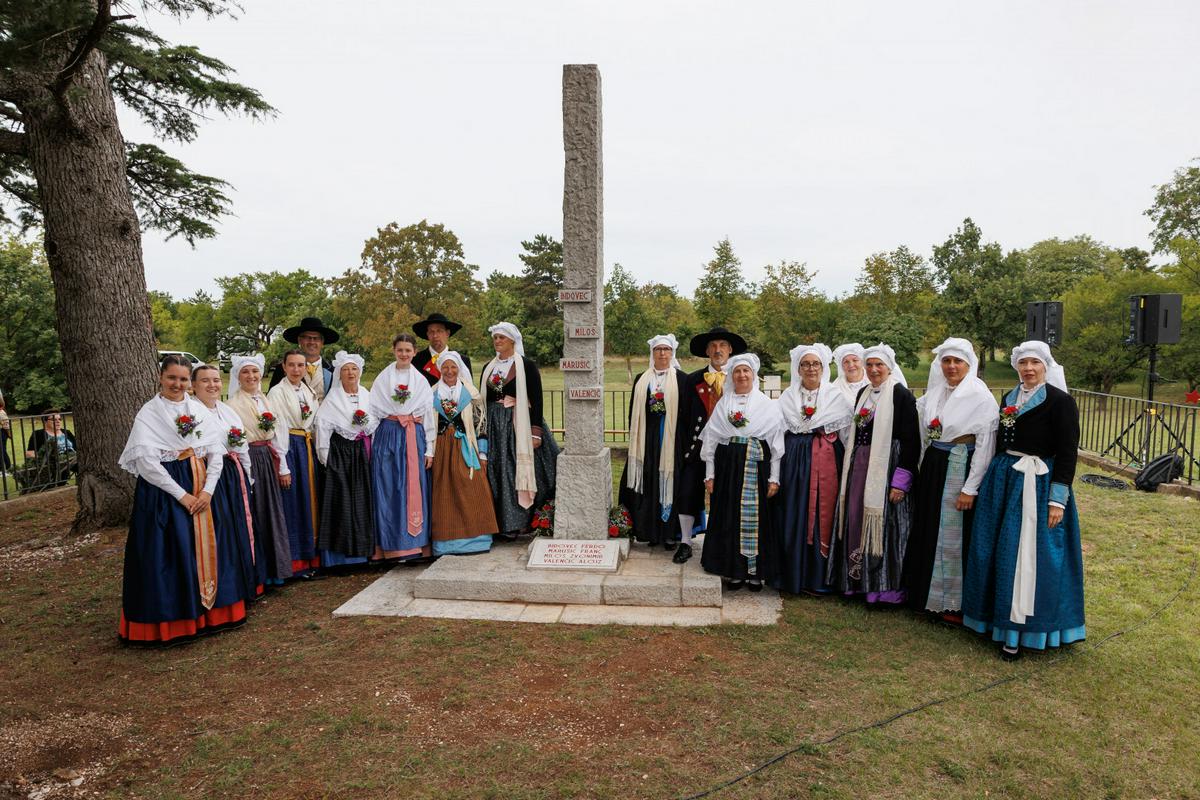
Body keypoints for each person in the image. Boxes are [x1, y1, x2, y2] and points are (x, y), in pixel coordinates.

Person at [963, 341, 1085, 661]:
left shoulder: (1061, 402)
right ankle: (996, 622)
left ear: (1046, 366)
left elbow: (1068, 453)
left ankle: (1021, 632)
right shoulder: (1009, 398)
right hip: (1004, 479)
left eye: (1035, 363)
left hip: (1039, 482)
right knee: (996, 549)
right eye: (1023, 363)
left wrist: (1057, 500)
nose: (1028, 369)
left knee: (1027, 555)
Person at [117, 354, 246, 644]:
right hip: (165, 492)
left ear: (190, 382)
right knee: (172, 550)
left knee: (210, 545)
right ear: (161, 378)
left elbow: (216, 452)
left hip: (202, 485)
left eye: (183, 379)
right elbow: (148, 464)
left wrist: (208, 490)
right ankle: (175, 620)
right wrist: (183, 495)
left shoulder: (198, 410)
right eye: (172, 378)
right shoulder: (149, 413)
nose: (178, 384)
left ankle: (214, 613)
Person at [903, 339, 997, 623]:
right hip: (934, 465)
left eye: (958, 362)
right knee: (930, 527)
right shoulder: (935, 394)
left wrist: (970, 488)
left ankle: (952, 603)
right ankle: (925, 595)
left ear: (970, 365)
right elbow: (923, 434)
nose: (952, 367)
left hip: (960, 465)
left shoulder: (981, 398)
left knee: (955, 534)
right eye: (947, 361)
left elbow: (985, 445)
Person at [828, 343, 920, 605]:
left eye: (879, 365)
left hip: (886, 466)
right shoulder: (863, 394)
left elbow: (912, 441)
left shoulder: (901, 396)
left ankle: (884, 588)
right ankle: (855, 582)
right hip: (860, 467)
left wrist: (900, 482)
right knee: (857, 518)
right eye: (869, 365)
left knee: (887, 525)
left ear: (889, 367)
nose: (873, 369)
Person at [771, 343, 853, 595]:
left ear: (823, 367)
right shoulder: (787, 396)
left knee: (821, 512)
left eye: (815, 364)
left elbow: (847, 434)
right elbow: (777, 431)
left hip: (826, 459)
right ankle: (792, 575)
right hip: (794, 461)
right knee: (794, 512)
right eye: (805, 364)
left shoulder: (836, 396)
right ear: (798, 369)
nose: (811, 368)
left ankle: (819, 578)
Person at [700, 353, 784, 591]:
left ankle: (755, 573)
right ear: (732, 376)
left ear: (753, 375)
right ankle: (734, 570)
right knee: (729, 516)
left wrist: (774, 478)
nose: (742, 375)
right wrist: (710, 475)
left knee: (757, 518)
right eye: (737, 371)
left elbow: (776, 445)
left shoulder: (767, 406)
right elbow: (711, 440)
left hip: (756, 467)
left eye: (746, 371)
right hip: (728, 468)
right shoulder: (723, 404)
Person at [479, 323, 560, 538]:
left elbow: (536, 398)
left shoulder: (526, 366)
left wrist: (535, 432)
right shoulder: (489, 367)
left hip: (518, 423)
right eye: (495, 337)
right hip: (495, 424)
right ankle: (500, 521)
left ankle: (520, 521)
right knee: (498, 470)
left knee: (516, 468)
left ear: (513, 341)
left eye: (501, 338)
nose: (497, 341)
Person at [676, 326, 748, 564]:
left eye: (723, 346)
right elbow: (684, 416)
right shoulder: (692, 379)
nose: (718, 350)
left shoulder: (740, 377)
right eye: (714, 346)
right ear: (707, 351)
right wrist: (686, 446)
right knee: (687, 491)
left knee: (725, 494)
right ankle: (685, 542)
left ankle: (722, 543)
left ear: (730, 350)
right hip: (698, 445)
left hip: (728, 447)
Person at [191, 364, 262, 602]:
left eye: (215, 380)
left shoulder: (227, 411)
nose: (212, 385)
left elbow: (241, 446)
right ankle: (221, 589)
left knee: (236, 528)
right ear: (193, 386)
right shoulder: (192, 413)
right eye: (205, 381)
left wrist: (248, 477)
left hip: (232, 474)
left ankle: (242, 584)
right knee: (219, 530)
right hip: (207, 476)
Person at [226, 354, 294, 586]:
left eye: (255, 372)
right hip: (250, 458)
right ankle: (259, 573)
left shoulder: (265, 401)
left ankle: (277, 570)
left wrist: (282, 466)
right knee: (254, 512)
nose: (251, 376)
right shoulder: (232, 405)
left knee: (271, 511)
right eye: (245, 372)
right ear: (238, 376)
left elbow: (276, 436)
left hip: (267, 457)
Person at [619, 334, 689, 552]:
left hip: (670, 439)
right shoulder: (642, 379)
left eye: (666, 350)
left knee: (670, 481)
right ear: (652, 353)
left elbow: (686, 413)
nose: (662, 353)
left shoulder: (681, 379)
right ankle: (649, 531)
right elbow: (633, 412)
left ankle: (669, 534)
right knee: (648, 481)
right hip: (647, 440)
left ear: (672, 353)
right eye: (658, 350)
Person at [369, 333, 436, 561]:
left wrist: (429, 449)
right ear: (393, 351)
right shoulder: (382, 379)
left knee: (412, 486)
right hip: (388, 435)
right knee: (389, 487)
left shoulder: (421, 381)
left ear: (415, 352)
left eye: (408, 350)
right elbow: (374, 412)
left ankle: (415, 545)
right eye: (400, 350)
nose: (404, 354)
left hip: (413, 436)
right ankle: (392, 545)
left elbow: (428, 417)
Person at [429, 351, 499, 554]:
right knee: (444, 494)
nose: (449, 371)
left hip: (466, 447)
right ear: (440, 370)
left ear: (459, 369)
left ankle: (477, 541)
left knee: (474, 488)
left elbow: (481, 425)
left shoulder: (471, 394)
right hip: (441, 448)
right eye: (445, 367)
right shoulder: (432, 394)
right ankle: (446, 544)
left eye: (453, 367)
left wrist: (483, 454)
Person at [313, 351, 377, 568]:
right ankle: (341, 558)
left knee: (363, 501)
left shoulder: (367, 394)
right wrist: (326, 459)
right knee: (342, 502)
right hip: (341, 454)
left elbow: (376, 421)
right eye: (346, 369)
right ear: (339, 374)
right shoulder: (333, 399)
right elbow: (322, 427)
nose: (350, 373)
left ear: (360, 371)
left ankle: (364, 552)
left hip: (363, 452)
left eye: (354, 369)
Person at [267, 349, 321, 575]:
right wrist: (283, 465)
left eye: (301, 365)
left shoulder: (307, 390)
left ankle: (311, 557)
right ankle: (294, 560)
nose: (296, 370)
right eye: (292, 365)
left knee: (308, 499)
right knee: (293, 500)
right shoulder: (277, 392)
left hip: (306, 446)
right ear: (284, 366)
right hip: (289, 446)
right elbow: (277, 428)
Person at [267, 317, 339, 400]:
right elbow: (273, 400)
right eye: (307, 337)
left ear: (322, 342)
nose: (312, 342)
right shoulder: (282, 369)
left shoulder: (333, 371)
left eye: (316, 338)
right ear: (299, 340)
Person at [412, 313, 473, 387]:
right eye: (431, 332)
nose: (435, 336)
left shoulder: (462, 360)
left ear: (447, 333)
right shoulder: (415, 360)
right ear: (427, 334)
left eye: (439, 331)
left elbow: (469, 390)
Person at [831, 343, 869, 408]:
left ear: (862, 361)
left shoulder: (873, 381)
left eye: (855, 360)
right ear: (841, 366)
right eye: (846, 362)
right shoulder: (835, 388)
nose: (851, 365)